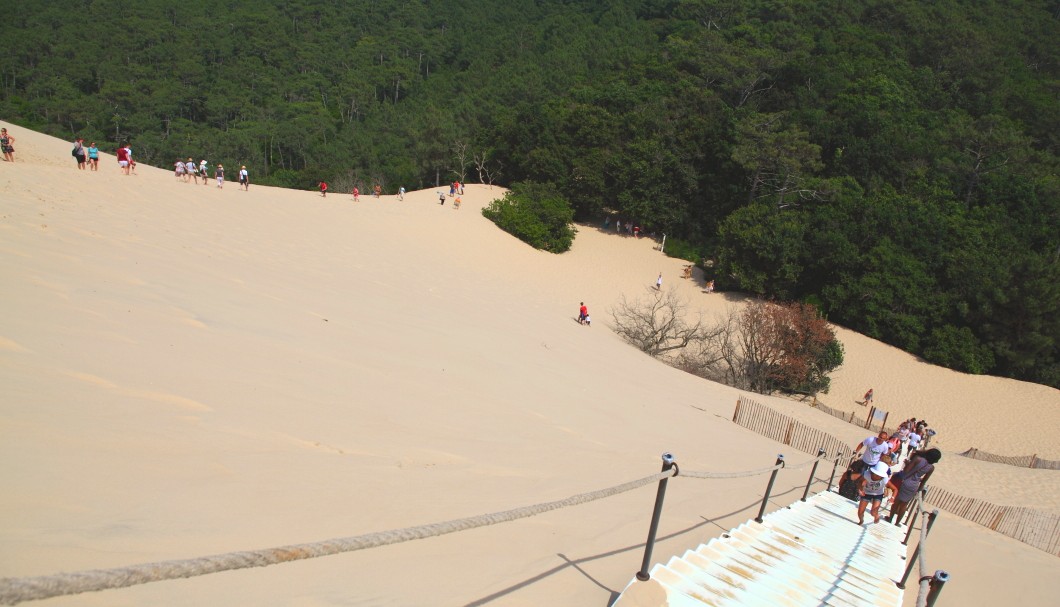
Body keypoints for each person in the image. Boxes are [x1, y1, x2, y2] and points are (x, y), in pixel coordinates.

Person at [887, 448, 940, 526]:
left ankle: (890, 519)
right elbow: (924, 481)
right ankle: (897, 523)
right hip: (914, 485)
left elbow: (906, 471)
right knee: (904, 505)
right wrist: (919, 491)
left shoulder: (918, 459)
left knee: (896, 502)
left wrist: (908, 464)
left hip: (905, 482)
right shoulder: (931, 468)